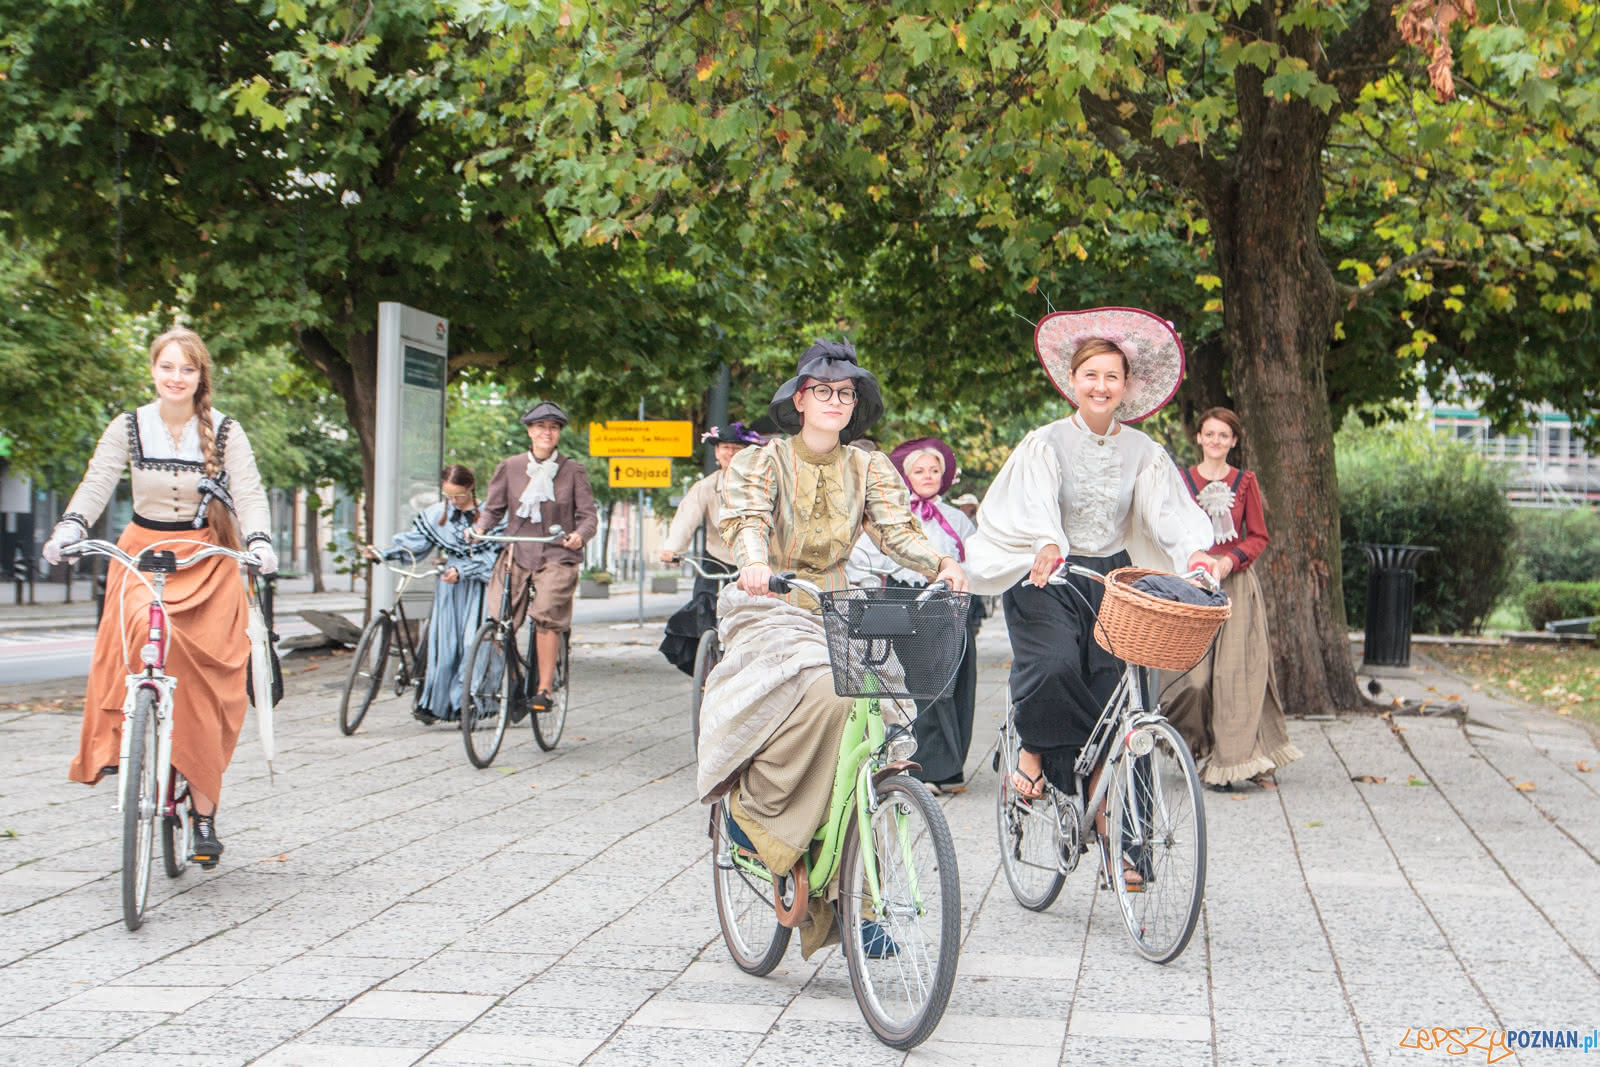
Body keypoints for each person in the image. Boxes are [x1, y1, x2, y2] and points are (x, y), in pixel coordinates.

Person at [695, 340, 969, 957]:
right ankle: (756, 815)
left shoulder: (869, 468)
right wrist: (756, 564)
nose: (835, 401)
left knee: (883, 725)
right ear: (800, 399)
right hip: (772, 604)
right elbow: (747, 522)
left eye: (846, 393)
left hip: (842, 606)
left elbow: (898, 531)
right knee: (825, 691)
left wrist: (941, 563)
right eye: (823, 391)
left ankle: (863, 901)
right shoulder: (762, 463)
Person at [966, 308, 1217, 858]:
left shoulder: (1144, 453)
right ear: (1072, 382)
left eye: (1111, 376)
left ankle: (1127, 837)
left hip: (1113, 576)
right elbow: (1033, 502)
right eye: (1091, 375)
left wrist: (1194, 551)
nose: (1101, 386)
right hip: (1047, 571)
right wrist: (1046, 543)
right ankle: (1032, 749)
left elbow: (1166, 513)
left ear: (1126, 386)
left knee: (1126, 698)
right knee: (1054, 663)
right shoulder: (1046, 443)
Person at [41, 327, 275, 868]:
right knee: (140, 653)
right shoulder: (129, 426)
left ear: (200, 376)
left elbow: (250, 492)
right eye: (167, 367)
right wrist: (70, 528)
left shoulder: (225, 431)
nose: (176, 378)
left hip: (208, 557)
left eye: (187, 369)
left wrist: (259, 541)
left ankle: (205, 811)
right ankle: (139, 738)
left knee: (210, 679)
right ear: (153, 371)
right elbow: (97, 481)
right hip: (142, 554)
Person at [1161, 408, 1302, 789]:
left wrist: (1229, 560)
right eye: (1210, 434)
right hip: (1192, 585)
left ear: (1234, 442)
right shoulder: (1183, 482)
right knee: (1195, 680)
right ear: (1199, 438)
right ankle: (1191, 743)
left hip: (1236, 585)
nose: (1216, 441)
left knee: (1234, 676)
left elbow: (1257, 535)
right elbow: (1170, 528)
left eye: (1224, 436)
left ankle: (1237, 760)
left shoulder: (1245, 482)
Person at [846, 437, 980, 794]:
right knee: (912, 683)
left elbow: (974, 559)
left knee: (950, 684)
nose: (928, 476)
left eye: (934, 470)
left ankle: (949, 767)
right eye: (919, 470)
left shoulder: (957, 520)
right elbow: (868, 556)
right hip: (902, 603)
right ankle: (918, 766)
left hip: (946, 607)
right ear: (906, 477)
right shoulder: (893, 514)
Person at [472, 401, 596, 713]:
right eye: (540, 427)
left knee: (546, 614)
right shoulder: (510, 467)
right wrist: (479, 528)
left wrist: (579, 534)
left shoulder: (572, 470)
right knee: (498, 617)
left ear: (559, 434)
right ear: (529, 431)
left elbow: (588, 516)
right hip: (517, 550)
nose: (546, 433)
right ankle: (515, 679)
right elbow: (493, 509)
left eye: (553, 428)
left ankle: (543, 689)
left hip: (557, 552)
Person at [363, 465, 503, 724]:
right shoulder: (438, 514)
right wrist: (384, 552)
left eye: (459, 495)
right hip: (450, 588)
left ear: (471, 488)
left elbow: (495, 556)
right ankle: (435, 703)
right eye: (448, 495)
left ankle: (469, 700)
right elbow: (416, 543)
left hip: (482, 586)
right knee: (444, 644)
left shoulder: (492, 516)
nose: (453, 501)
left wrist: (464, 570)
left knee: (474, 642)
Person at [657, 422, 765, 674]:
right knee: (701, 609)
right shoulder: (706, 486)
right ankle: (707, 670)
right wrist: (673, 549)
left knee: (756, 617)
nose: (731, 453)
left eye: (739, 448)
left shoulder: (761, 485)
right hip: (716, 559)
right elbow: (687, 517)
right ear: (716, 453)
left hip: (753, 561)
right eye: (726, 447)